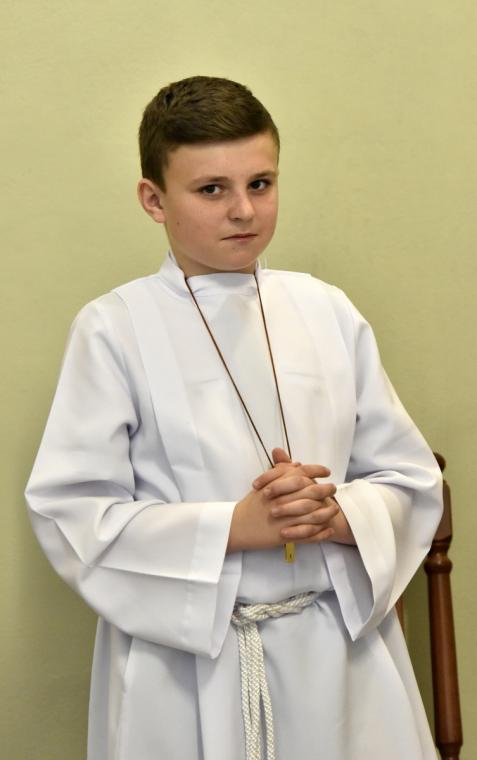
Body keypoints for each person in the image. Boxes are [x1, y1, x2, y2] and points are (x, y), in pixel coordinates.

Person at [26, 76, 443, 760]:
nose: (243, 210)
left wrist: (337, 515)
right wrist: (234, 527)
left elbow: (409, 478)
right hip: (188, 668)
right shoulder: (113, 328)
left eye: (261, 183)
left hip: (339, 654)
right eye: (211, 189)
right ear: (153, 199)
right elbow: (72, 512)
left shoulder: (325, 310)